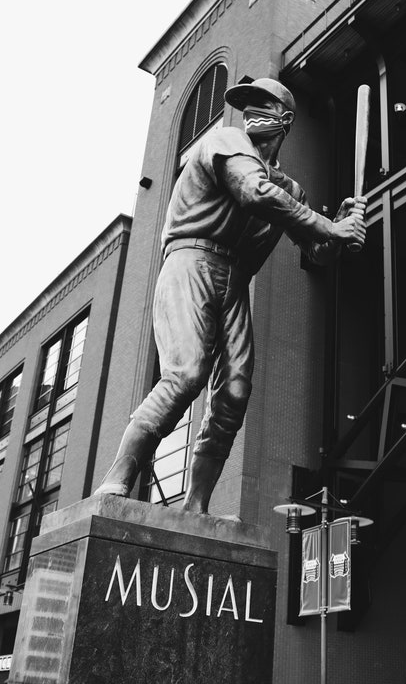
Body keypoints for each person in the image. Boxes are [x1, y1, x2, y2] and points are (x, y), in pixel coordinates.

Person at [95, 78, 366, 514]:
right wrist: (326, 226)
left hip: (235, 282)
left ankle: (196, 505)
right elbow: (252, 191)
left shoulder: (291, 191)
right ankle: (118, 480)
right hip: (190, 262)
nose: (250, 112)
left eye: (262, 105)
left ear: (285, 120)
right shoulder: (226, 140)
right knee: (185, 373)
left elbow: (318, 252)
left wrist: (341, 226)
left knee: (235, 393)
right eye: (246, 105)